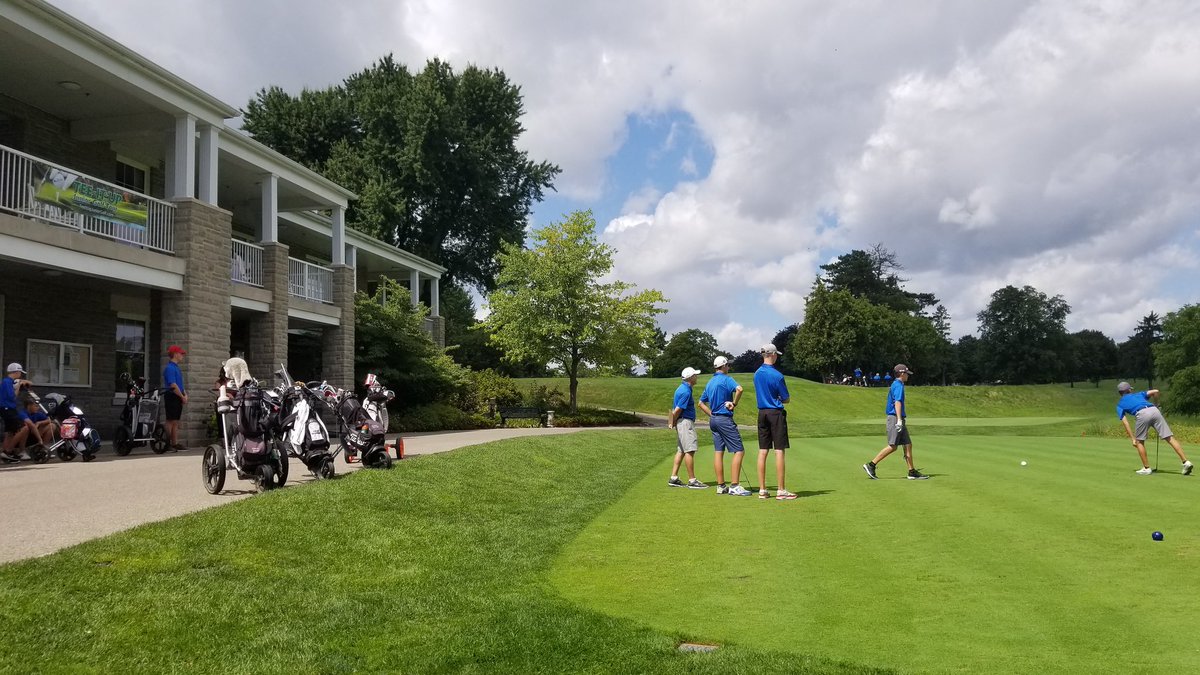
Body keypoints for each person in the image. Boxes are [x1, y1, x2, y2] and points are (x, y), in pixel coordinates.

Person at [863, 364, 929, 480]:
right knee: (893, 446)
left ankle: (911, 471)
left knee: (908, 444)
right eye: (907, 374)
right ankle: (871, 465)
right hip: (895, 418)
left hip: (898, 418)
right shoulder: (898, 385)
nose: (908, 376)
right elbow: (897, 402)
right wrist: (899, 420)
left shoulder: (898, 384)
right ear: (902, 374)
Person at [1115, 381, 1193, 476]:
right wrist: (1157, 404)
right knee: (1169, 437)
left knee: (1139, 442)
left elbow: (1125, 422)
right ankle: (1186, 462)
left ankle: (1146, 468)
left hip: (1141, 413)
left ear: (1120, 393)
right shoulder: (1139, 394)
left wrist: (1133, 439)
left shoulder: (1120, 405)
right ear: (1129, 390)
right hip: (1154, 410)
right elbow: (1155, 391)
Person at [700, 355, 750, 496]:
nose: (729, 367)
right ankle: (734, 486)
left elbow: (700, 403)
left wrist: (712, 414)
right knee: (739, 451)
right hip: (724, 419)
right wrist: (734, 404)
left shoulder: (710, 382)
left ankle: (721, 486)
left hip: (714, 420)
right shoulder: (727, 379)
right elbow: (740, 389)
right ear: (723, 366)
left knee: (718, 452)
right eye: (728, 365)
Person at [754, 344, 796, 500]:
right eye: (776, 354)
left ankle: (762, 490)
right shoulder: (777, 375)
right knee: (779, 450)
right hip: (775, 414)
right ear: (772, 354)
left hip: (762, 413)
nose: (777, 356)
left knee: (763, 450)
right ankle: (781, 490)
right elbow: (786, 398)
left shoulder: (757, 374)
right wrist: (779, 398)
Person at [667, 367, 707, 489]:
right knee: (689, 450)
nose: (697, 377)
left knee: (681, 450)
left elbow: (675, 410)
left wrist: (673, 422)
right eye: (695, 375)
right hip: (685, 422)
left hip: (681, 422)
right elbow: (678, 409)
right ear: (690, 377)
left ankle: (674, 478)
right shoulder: (686, 391)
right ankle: (692, 480)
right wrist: (672, 421)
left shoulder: (682, 388)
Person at [1, 363, 39, 462]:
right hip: (7, 408)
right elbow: (12, 397)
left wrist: (22, 382)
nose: (20, 374)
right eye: (20, 372)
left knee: (10, 432)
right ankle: (7, 451)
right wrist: (18, 386)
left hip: (8, 408)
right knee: (22, 428)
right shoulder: (7, 382)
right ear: (16, 372)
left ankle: (5, 453)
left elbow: (30, 383)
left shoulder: (11, 381)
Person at [163, 345, 188, 451]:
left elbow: (179, 384)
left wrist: (185, 394)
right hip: (172, 395)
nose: (182, 355)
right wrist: (182, 396)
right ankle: (167, 443)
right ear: (175, 354)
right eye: (180, 353)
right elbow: (172, 384)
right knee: (170, 420)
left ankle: (175, 443)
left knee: (176, 420)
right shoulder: (170, 368)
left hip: (178, 395)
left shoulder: (176, 367)